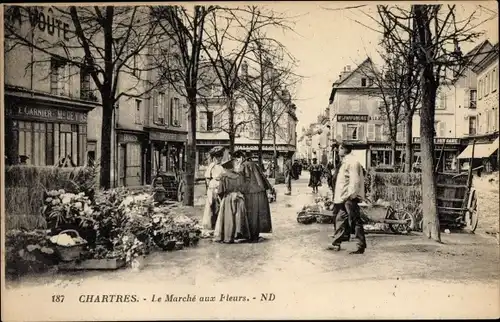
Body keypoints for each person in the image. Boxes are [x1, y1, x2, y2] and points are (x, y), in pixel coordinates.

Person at [328, 143, 367, 254]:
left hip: (349, 197)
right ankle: (336, 243)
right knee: (340, 219)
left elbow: (355, 181)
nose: (338, 150)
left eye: (340, 148)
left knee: (354, 220)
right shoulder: (345, 162)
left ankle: (360, 245)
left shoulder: (352, 162)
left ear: (344, 149)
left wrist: (351, 196)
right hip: (343, 198)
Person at [233, 150, 272, 242]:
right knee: (258, 214)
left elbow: (242, 180)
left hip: (250, 193)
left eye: (237, 159)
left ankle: (250, 235)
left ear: (241, 157)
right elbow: (262, 177)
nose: (237, 161)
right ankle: (255, 234)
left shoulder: (243, 165)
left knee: (250, 214)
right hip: (259, 192)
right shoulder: (254, 164)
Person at [213, 157, 250, 244]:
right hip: (239, 197)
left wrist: (222, 198)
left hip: (228, 197)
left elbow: (221, 191)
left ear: (226, 168)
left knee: (228, 218)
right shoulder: (240, 176)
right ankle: (238, 235)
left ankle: (228, 237)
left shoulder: (224, 177)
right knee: (238, 217)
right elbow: (244, 188)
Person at [202, 146, 225, 230]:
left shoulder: (221, 166)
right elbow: (207, 178)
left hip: (220, 186)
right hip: (213, 186)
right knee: (212, 205)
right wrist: (209, 189)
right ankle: (211, 224)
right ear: (214, 157)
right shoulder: (212, 166)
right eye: (218, 157)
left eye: (221, 157)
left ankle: (217, 224)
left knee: (219, 206)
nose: (220, 159)